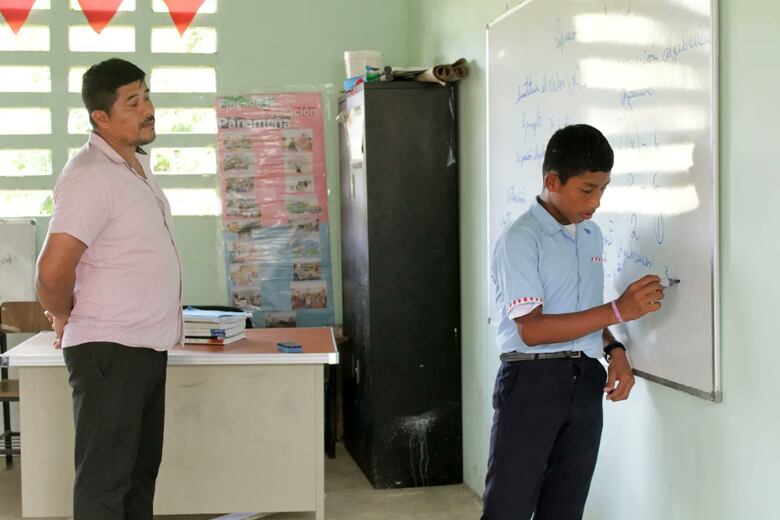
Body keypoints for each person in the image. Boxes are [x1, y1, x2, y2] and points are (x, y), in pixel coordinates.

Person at [482, 124, 665, 520]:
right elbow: (532, 330)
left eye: (603, 189)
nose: (596, 201)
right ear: (552, 180)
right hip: (532, 382)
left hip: (585, 380)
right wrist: (619, 310)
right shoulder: (520, 239)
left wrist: (614, 349)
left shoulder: (592, 235)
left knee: (565, 508)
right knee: (508, 509)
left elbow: (581, 315)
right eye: (587, 189)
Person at [35, 58, 182, 519]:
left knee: (138, 478)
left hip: (143, 348)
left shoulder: (134, 166)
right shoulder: (90, 175)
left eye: (147, 96)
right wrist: (61, 313)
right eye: (133, 102)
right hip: (109, 351)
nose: (148, 109)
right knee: (105, 485)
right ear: (101, 117)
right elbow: (52, 273)